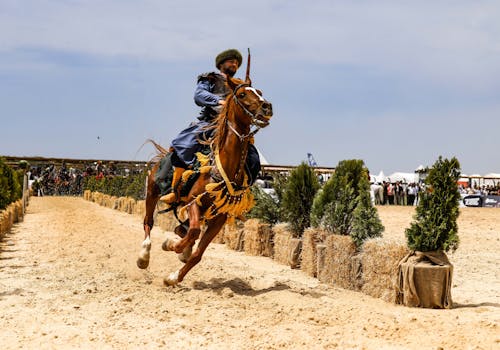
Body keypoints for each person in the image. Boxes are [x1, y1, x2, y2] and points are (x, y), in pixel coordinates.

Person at [161, 49, 261, 204]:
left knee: (253, 159)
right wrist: (218, 101)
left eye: (236, 63)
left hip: (234, 127)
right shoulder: (211, 78)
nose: (234, 64)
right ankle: (175, 189)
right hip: (211, 123)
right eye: (230, 61)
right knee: (183, 144)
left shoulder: (240, 85)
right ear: (221, 64)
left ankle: (241, 196)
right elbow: (199, 95)